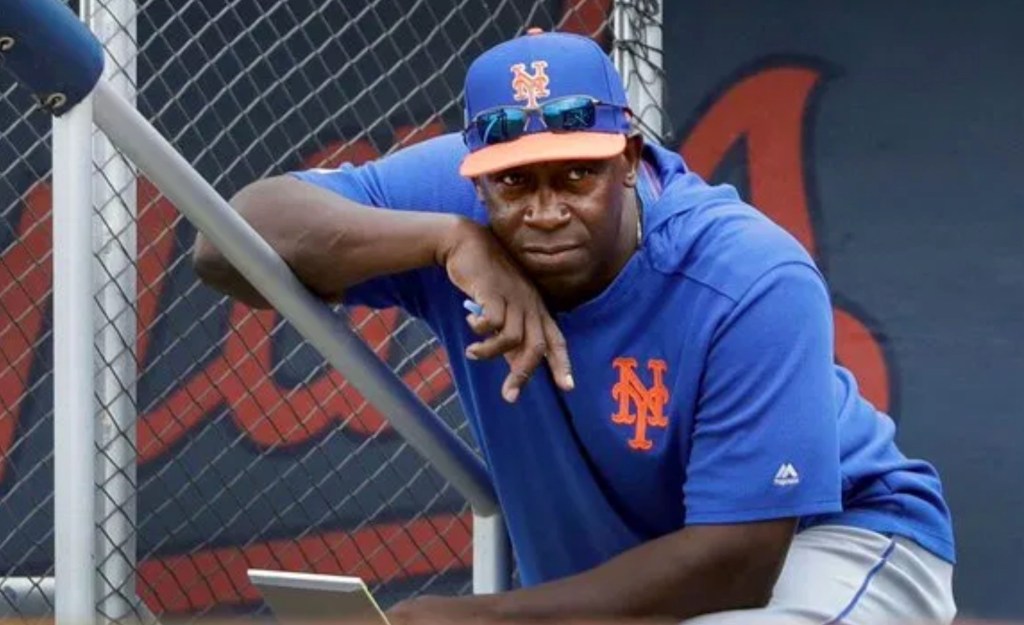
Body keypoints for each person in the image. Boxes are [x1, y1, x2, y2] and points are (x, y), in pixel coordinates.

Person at [193, 29, 957, 624]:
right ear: (474, 175)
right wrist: (446, 240)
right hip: (643, 573)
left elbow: (740, 562)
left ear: (628, 159)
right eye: (514, 182)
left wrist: (480, 617)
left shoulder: (747, 275)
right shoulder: (452, 203)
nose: (546, 209)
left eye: (577, 175)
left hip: (837, 538)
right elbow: (226, 242)